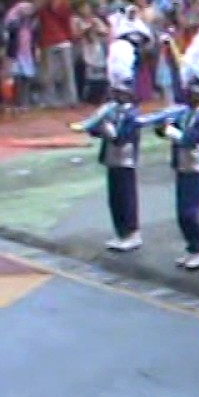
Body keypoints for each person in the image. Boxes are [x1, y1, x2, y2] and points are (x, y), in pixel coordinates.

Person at [159, 30, 199, 269]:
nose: (188, 94)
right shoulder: (186, 112)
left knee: (189, 212)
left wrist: (172, 133)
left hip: (196, 166)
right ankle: (192, 246)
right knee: (181, 210)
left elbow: (193, 138)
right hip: (183, 164)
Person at [83, 38, 143, 252]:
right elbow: (95, 130)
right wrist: (95, 125)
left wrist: (107, 127)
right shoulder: (112, 108)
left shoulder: (131, 113)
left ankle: (132, 232)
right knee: (114, 198)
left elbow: (122, 136)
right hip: (111, 157)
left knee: (126, 196)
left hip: (125, 158)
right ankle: (121, 232)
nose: (115, 94)